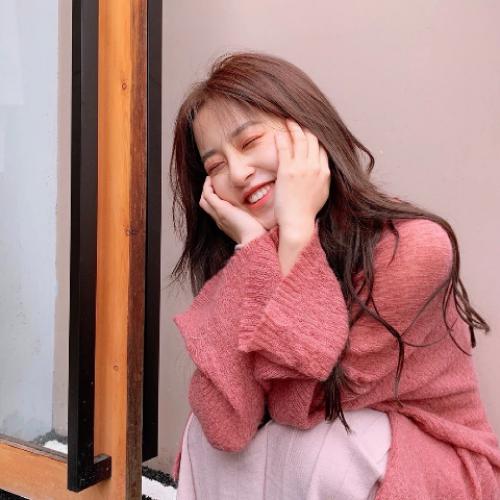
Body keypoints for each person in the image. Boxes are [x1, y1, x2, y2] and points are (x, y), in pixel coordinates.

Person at [167, 51, 500, 499]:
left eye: (249, 142)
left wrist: (297, 230)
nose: (239, 173)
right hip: (337, 446)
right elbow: (224, 424)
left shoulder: (416, 248)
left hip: (433, 460)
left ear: (308, 133)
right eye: (216, 167)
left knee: (322, 448)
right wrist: (252, 252)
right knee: (204, 440)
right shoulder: (253, 257)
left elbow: (297, 405)